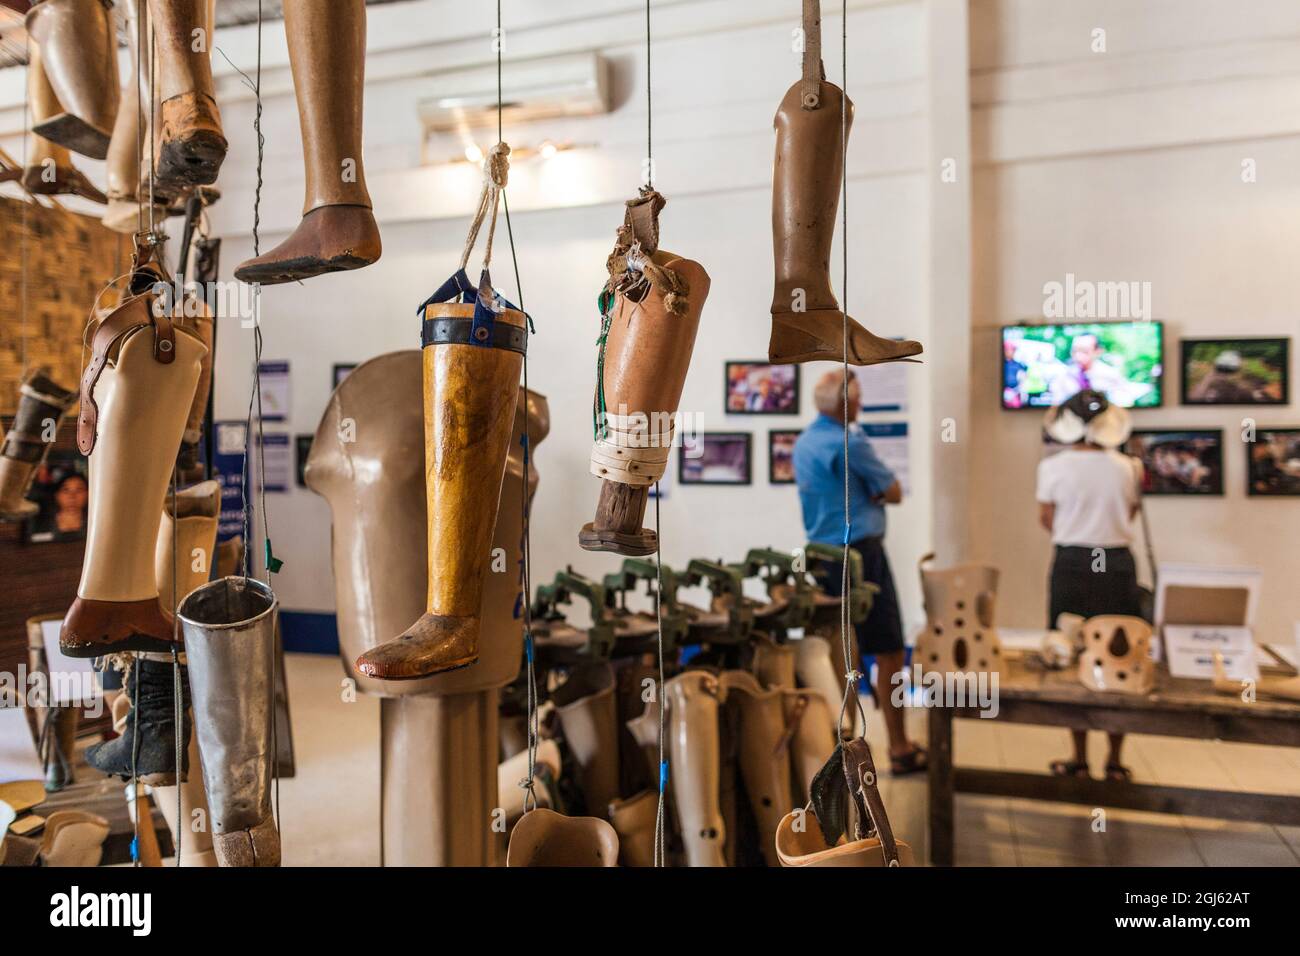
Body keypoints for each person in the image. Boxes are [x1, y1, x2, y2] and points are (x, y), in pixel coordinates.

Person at [793, 369, 926, 774]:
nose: (863, 405)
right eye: (858, 397)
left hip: (824, 558)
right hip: (861, 558)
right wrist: (875, 490)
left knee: (842, 650)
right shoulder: (851, 440)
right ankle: (900, 747)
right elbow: (895, 491)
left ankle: (842, 748)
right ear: (844, 404)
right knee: (887, 651)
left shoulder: (805, 442)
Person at [1037, 389, 1143, 781]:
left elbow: (1046, 519)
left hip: (1071, 562)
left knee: (1071, 653)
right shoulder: (1129, 466)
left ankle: (1078, 758)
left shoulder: (1053, 467)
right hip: (1115, 564)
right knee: (1121, 654)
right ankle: (1115, 761)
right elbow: (1129, 514)